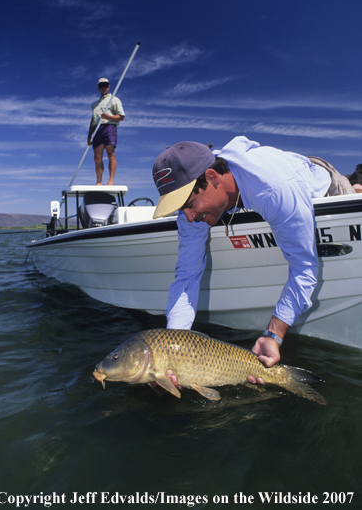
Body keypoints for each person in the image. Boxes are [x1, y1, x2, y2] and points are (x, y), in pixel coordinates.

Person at [152, 137, 356, 385]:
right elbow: (187, 275)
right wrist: (173, 350)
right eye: (179, 208)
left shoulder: (275, 188)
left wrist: (274, 334)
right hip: (258, 194)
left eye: (189, 204)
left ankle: (354, 186)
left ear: (213, 177)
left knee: (348, 191)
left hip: (319, 181)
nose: (189, 217)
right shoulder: (190, 213)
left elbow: (304, 269)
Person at [87, 78, 125, 185]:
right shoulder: (94, 104)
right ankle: (99, 182)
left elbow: (121, 117)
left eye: (105, 85)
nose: (103, 87)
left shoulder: (114, 99)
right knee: (97, 157)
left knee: (110, 154)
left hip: (109, 128)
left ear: (108, 87)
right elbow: (93, 121)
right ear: (98, 88)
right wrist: (89, 136)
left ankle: (110, 181)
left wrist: (108, 116)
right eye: (101, 86)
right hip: (97, 131)